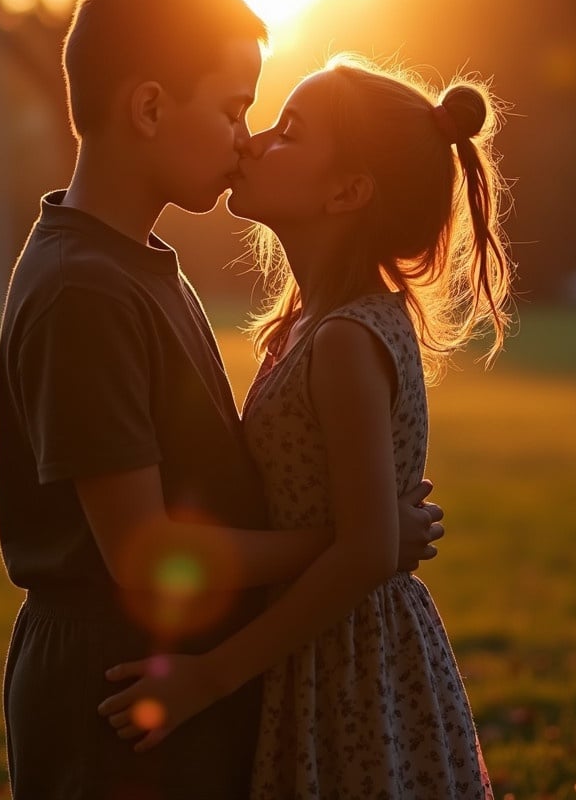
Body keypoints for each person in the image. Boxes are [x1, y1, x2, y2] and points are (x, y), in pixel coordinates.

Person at [0, 0, 444, 800]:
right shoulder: (86, 292)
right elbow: (143, 550)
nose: (247, 136)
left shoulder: (141, 266)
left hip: (170, 668)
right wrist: (355, 544)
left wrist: (362, 541)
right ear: (151, 106)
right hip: (119, 688)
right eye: (235, 108)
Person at [98, 54, 513, 799]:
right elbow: (365, 537)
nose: (253, 142)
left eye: (288, 132)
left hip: (349, 661)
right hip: (313, 644)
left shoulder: (347, 342)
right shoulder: (302, 327)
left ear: (348, 190)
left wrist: (206, 680)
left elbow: (364, 554)